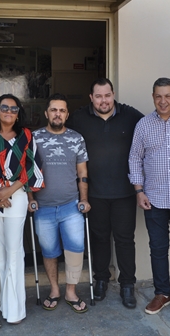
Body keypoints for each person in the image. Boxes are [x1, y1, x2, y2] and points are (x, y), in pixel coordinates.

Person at [67, 78, 143, 308]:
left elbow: (150, 135)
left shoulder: (131, 117)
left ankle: (127, 285)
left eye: (107, 95)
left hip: (124, 193)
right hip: (94, 194)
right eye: (98, 96)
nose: (103, 100)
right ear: (91, 98)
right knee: (99, 240)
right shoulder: (79, 118)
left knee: (124, 240)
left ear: (113, 94)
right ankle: (100, 280)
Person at [129, 77, 170, 319]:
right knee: (157, 249)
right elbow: (135, 158)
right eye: (158, 96)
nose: (163, 100)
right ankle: (162, 293)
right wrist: (139, 191)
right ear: (153, 97)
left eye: (168, 96)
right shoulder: (143, 125)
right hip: (153, 199)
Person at [0, 94, 44, 324]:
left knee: (15, 251)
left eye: (13, 108)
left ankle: (15, 310)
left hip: (16, 196)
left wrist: (7, 192)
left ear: (18, 113)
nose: (9, 111)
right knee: (1, 252)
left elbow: (31, 168)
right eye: (4, 107)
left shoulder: (26, 135)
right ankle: (4, 305)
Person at [28, 93, 91, 314]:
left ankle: (71, 291)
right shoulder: (33, 138)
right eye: (54, 110)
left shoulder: (77, 138)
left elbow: (82, 172)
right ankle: (55, 290)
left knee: (75, 250)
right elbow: (27, 172)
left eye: (62, 110)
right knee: (49, 251)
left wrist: (84, 199)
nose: (58, 114)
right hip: (43, 208)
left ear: (67, 114)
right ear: (46, 113)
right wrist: (30, 199)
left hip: (71, 206)